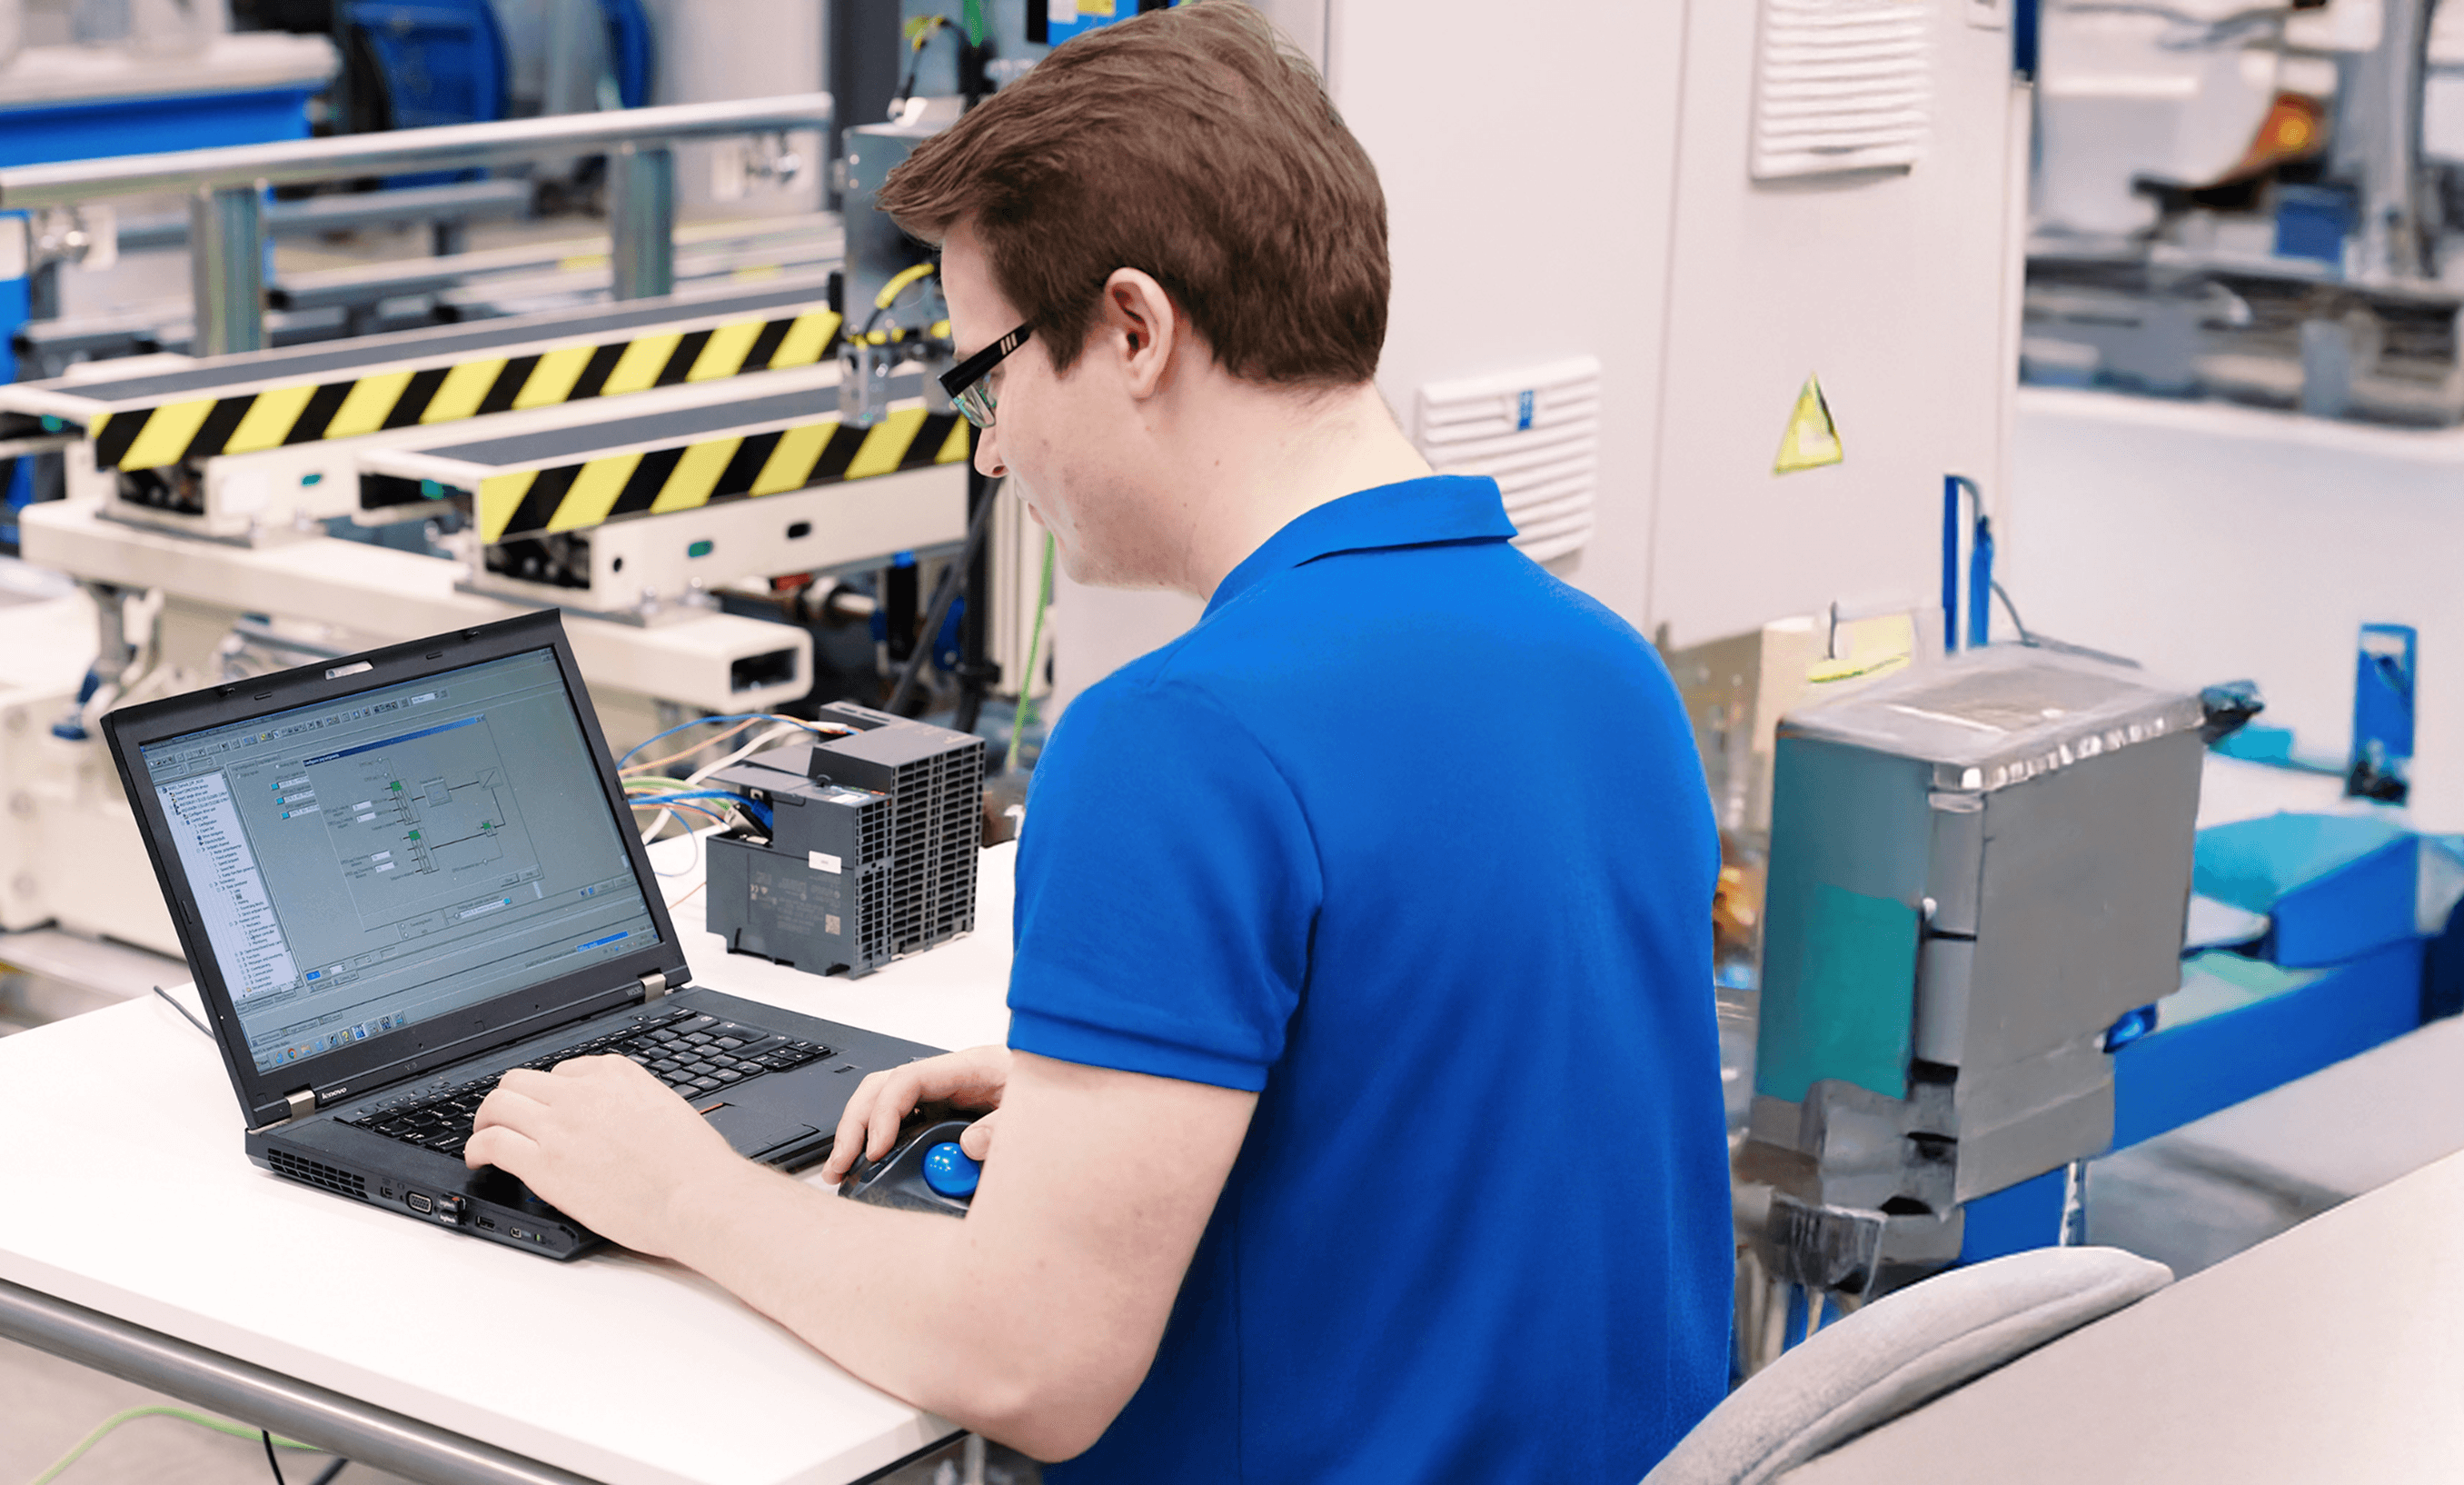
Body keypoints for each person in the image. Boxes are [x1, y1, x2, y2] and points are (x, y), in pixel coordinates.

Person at [463, 4, 1731, 1478]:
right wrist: (1120, 1104)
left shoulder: (1182, 740)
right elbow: (1462, 1095)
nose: (993, 446)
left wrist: (677, 1188)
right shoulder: (1603, 664)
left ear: (1134, 330)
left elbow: (1031, 1359)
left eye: (988, 374)